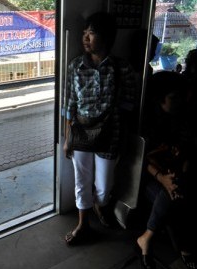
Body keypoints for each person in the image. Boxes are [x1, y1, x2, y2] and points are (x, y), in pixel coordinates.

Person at [63, 11, 139, 245]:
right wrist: (68, 138)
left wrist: (125, 137)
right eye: (84, 33)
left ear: (106, 37)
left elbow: (128, 105)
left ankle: (98, 204)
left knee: (104, 187)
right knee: (81, 181)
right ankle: (83, 224)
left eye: (92, 33)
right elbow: (69, 105)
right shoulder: (76, 66)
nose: (85, 38)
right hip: (81, 133)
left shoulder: (121, 68)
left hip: (111, 134)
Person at [137, 71, 197, 269]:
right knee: (173, 196)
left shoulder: (182, 118)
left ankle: (147, 237)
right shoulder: (146, 122)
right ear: (159, 99)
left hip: (172, 173)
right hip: (148, 176)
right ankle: (184, 247)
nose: (178, 102)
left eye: (179, 97)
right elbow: (141, 160)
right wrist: (162, 178)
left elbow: (187, 153)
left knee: (177, 191)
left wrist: (178, 175)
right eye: (173, 98)